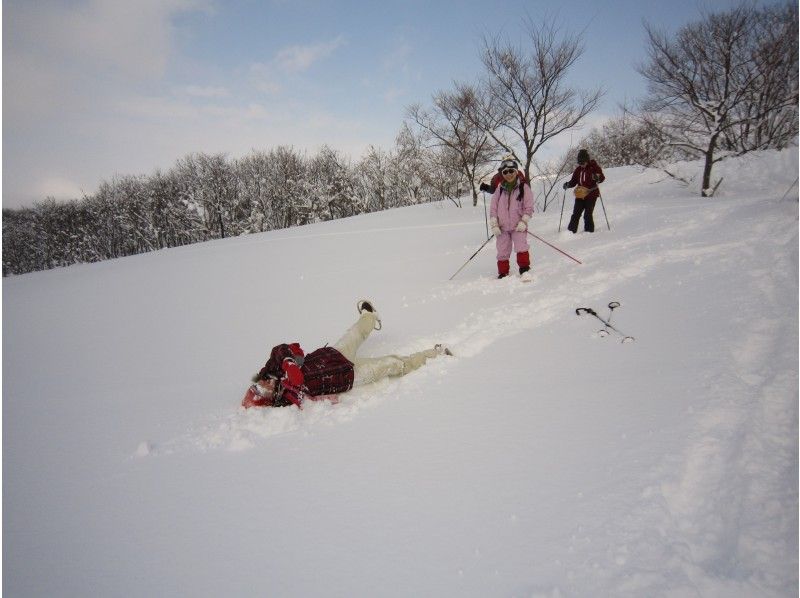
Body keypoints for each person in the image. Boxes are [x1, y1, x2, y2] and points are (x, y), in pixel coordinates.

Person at [242, 300, 452, 409]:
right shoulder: (288, 398)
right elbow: (309, 400)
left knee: (356, 332)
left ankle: (369, 314)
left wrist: (288, 363)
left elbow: (281, 349)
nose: (264, 386)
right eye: (262, 391)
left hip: (333, 354)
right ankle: (435, 354)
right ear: (268, 398)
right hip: (350, 375)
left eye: (258, 385)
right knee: (393, 364)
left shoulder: (272, 367)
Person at [488, 157, 534, 279]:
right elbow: (493, 207)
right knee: (502, 250)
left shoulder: (523, 188)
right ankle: (503, 273)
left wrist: (524, 221)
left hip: (518, 225)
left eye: (511, 171)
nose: (509, 174)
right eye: (505, 172)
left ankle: (524, 269)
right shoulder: (499, 189)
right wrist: (494, 223)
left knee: (521, 246)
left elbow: (529, 207)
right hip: (502, 227)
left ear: (516, 171)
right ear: (502, 174)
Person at [562, 149, 605, 233]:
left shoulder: (594, 167)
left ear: (587, 160)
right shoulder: (578, 170)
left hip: (591, 195)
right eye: (579, 163)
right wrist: (568, 184)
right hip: (580, 194)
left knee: (587, 215)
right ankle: (570, 232)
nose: (581, 165)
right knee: (576, 214)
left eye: (583, 163)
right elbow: (574, 181)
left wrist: (597, 177)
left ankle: (589, 233)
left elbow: (602, 178)